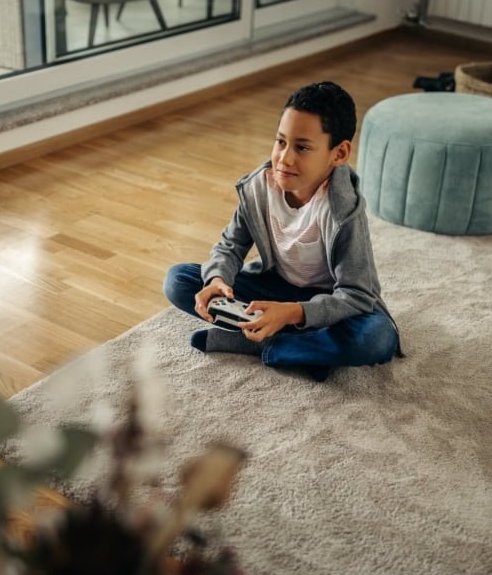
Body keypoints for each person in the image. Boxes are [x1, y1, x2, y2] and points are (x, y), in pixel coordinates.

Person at [163, 81, 401, 381]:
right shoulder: (259, 188)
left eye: (302, 147)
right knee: (178, 280)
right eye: (280, 142)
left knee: (376, 338)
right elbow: (230, 246)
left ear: (339, 153)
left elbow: (357, 295)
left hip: (329, 302)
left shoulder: (344, 211)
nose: (285, 158)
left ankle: (260, 343)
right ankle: (305, 349)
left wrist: (292, 313)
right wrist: (217, 280)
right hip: (275, 288)